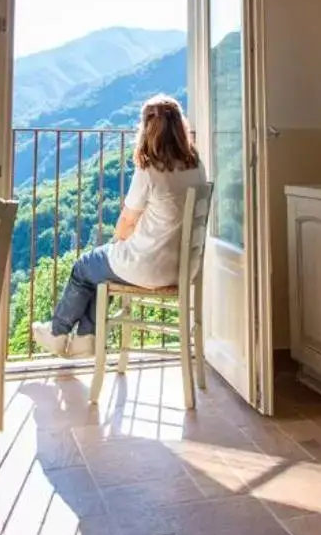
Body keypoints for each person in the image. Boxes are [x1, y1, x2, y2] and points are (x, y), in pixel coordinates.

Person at [35, 95, 210, 358]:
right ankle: (84, 337)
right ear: (179, 127)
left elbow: (127, 221)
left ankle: (59, 333)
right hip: (183, 268)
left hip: (149, 268)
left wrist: (115, 244)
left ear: (147, 129)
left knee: (86, 266)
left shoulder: (151, 170)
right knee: (100, 268)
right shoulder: (197, 166)